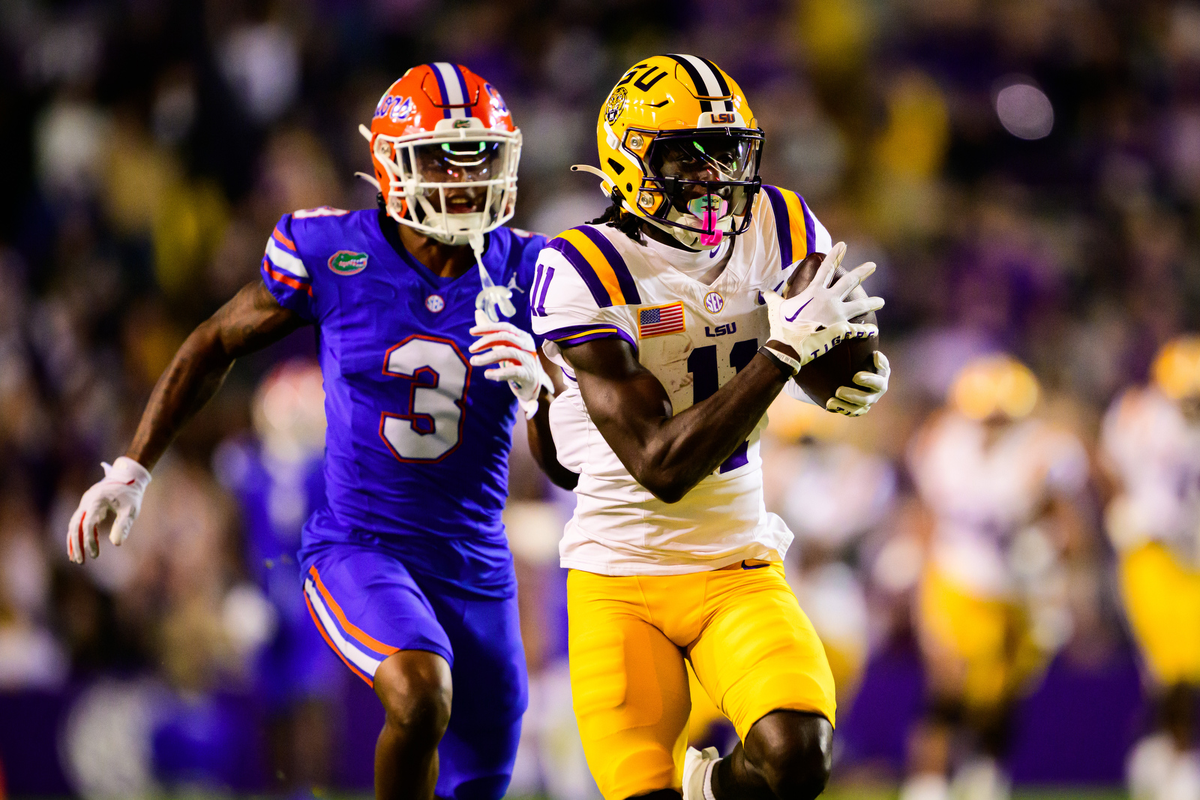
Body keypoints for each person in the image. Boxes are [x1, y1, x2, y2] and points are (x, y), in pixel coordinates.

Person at [64, 63, 574, 800]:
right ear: (391, 162)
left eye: (480, 155)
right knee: (421, 691)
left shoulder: (532, 271)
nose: (464, 179)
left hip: (476, 565)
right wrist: (132, 468)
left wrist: (546, 394)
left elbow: (563, 471)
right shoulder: (334, 252)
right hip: (361, 546)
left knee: (481, 779)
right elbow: (213, 342)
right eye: (441, 156)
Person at [530, 54, 890, 800]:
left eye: (724, 154)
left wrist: (851, 364)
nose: (711, 178)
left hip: (735, 561)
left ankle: (715, 790)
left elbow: (835, 354)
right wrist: (787, 350)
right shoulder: (584, 267)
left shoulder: (779, 223)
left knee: (797, 752)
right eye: (683, 158)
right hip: (620, 576)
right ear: (628, 161)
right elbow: (661, 467)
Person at [902, 354, 1089, 800]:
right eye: (985, 417)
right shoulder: (940, 442)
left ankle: (985, 773)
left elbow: (1071, 532)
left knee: (998, 695)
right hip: (953, 575)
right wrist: (913, 568)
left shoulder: (1045, 451)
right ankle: (927, 783)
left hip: (1016, 588)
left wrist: (1050, 562)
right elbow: (926, 513)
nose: (993, 426)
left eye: (1003, 418)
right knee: (947, 683)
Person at [1102, 335, 1200, 800]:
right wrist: (1122, 504)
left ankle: (1155, 750)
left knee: (1175, 669)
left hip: (1194, 556)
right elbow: (1108, 465)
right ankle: (1178, 762)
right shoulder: (1141, 414)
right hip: (1150, 548)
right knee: (1178, 660)